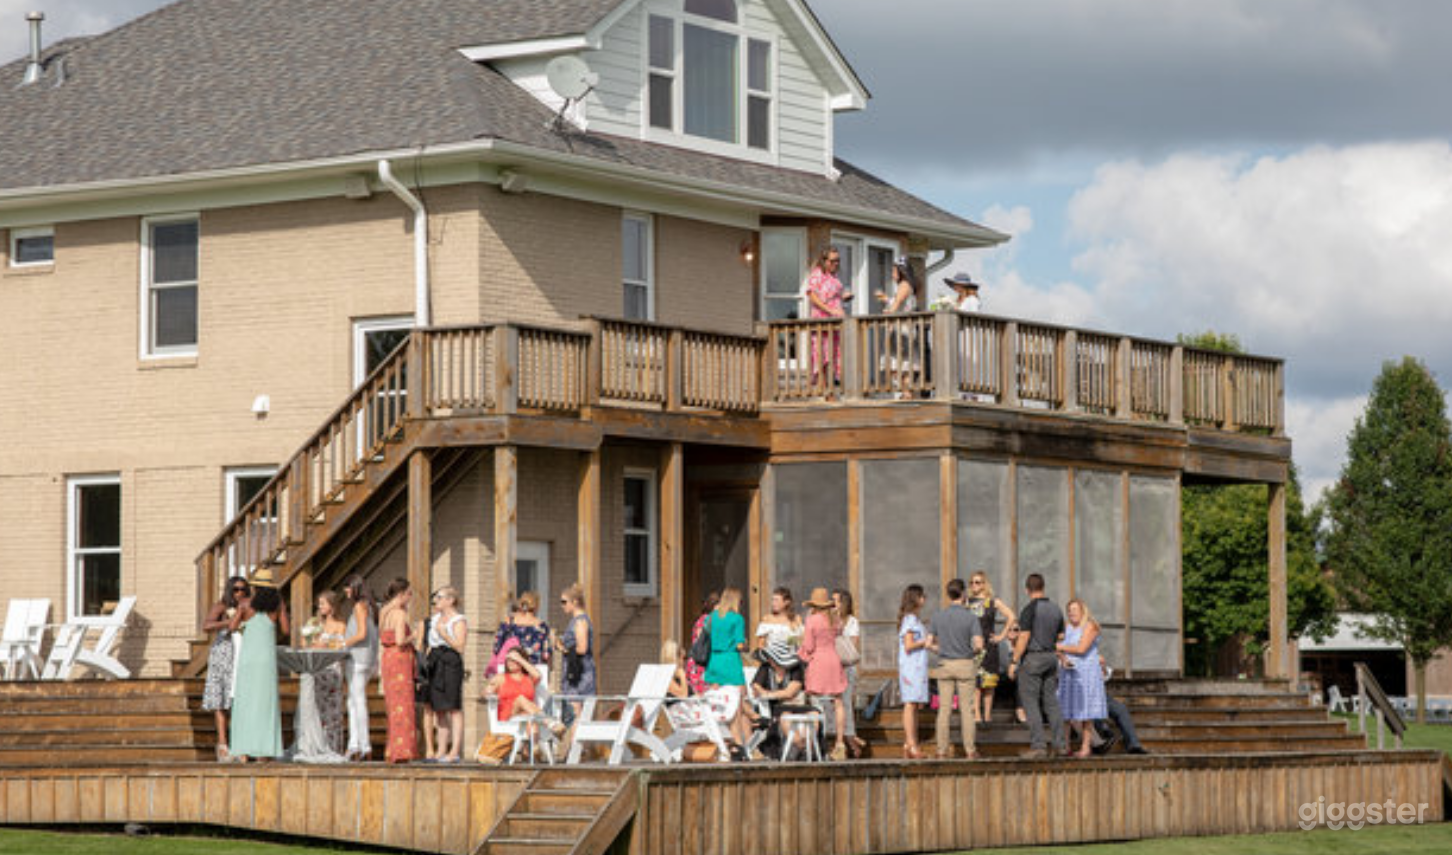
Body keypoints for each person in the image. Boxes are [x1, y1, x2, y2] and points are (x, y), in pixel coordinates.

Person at [229, 572, 289, 763]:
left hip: (248, 660)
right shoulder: (277, 604)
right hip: (266, 660)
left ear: (254, 587)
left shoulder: (245, 605)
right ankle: (264, 752)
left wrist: (243, 626)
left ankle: (244, 751)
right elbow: (286, 630)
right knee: (265, 704)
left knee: (246, 703)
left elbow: (231, 627)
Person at [1008, 573, 1066, 758]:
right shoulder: (1056, 609)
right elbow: (1061, 636)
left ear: (1027, 589)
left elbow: (1024, 637)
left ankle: (1038, 746)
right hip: (1051, 657)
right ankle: (1060, 745)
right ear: (1043, 587)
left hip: (1033, 658)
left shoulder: (1030, 609)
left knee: (1030, 702)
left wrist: (1014, 661)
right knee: (1051, 702)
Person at [927, 578, 984, 759]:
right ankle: (970, 750)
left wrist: (941, 649)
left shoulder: (938, 616)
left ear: (948, 595)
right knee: (967, 709)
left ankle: (941, 751)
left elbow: (928, 643)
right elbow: (979, 645)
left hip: (945, 664)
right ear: (964, 594)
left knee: (944, 709)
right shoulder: (971, 617)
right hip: (965, 664)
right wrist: (971, 650)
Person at [201, 576, 249, 762]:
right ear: (230, 590)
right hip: (223, 654)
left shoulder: (247, 606)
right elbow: (206, 625)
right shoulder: (221, 606)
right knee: (220, 698)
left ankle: (240, 743)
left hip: (241, 653)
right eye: (236, 589)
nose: (240, 593)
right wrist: (228, 623)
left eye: (244, 589)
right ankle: (222, 743)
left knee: (238, 698)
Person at [799, 587, 848, 761]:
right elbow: (840, 634)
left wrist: (802, 653)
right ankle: (840, 743)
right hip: (834, 660)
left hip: (818, 661)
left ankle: (813, 743)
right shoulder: (835, 619)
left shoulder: (812, 620)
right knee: (838, 702)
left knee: (814, 701)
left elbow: (809, 646)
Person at [478, 647, 550, 765]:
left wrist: (520, 660)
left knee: (529, 716)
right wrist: (486, 693)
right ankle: (549, 722)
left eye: (514, 659)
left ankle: (534, 748)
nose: (510, 662)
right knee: (521, 700)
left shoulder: (529, 679)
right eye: (508, 659)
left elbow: (538, 674)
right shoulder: (501, 678)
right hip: (508, 715)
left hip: (527, 716)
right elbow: (483, 694)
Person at [1056, 599, 1107, 758]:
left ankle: (1086, 747)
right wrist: (1062, 657)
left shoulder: (1090, 625)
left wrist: (1060, 647)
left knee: (1086, 712)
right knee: (1065, 710)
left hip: (1086, 673)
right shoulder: (1065, 626)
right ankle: (1065, 746)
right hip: (1068, 671)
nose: (1071, 613)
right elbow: (1054, 646)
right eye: (1069, 610)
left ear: (1083, 611)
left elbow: (1082, 648)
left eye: (1074, 609)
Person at [745, 639, 812, 760]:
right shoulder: (766, 667)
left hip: (796, 706)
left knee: (814, 715)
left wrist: (768, 694)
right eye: (769, 657)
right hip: (773, 709)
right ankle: (803, 747)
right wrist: (769, 694)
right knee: (783, 716)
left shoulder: (795, 669)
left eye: (773, 658)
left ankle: (805, 747)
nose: (770, 661)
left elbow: (790, 692)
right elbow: (756, 686)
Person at [966, 571, 1018, 727]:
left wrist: (1002, 636)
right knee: (975, 683)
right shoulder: (966, 602)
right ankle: (977, 714)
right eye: (972, 582)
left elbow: (1011, 616)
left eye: (978, 582)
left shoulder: (993, 601)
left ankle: (987, 716)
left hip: (989, 645)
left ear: (984, 584)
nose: (975, 585)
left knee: (989, 683)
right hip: (972, 645)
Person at [426, 586, 468, 763]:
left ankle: (454, 750)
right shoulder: (435, 619)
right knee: (439, 709)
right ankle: (441, 749)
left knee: (453, 707)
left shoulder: (458, 620)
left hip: (450, 660)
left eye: (440, 597)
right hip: (435, 660)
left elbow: (460, 646)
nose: (436, 600)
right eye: (435, 597)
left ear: (450, 600)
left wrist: (445, 634)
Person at [377, 578, 417, 764]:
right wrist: (415, 635)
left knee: (392, 705)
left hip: (388, 658)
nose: (410, 598)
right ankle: (402, 751)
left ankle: (390, 749)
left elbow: (383, 636)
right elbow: (400, 640)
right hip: (399, 659)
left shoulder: (384, 611)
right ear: (400, 594)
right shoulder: (399, 614)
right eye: (408, 594)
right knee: (403, 705)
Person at [703, 587, 748, 746]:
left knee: (717, 704)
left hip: (715, 661)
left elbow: (707, 633)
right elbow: (740, 644)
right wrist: (747, 647)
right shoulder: (737, 619)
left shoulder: (711, 617)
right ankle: (742, 745)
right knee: (738, 706)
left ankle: (722, 744)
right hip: (731, 662)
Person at [340, 574, 378, 762]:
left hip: (359, 658)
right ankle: (354, 744)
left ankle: (364, 745)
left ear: (355, 587)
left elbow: (361, 634)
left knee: (358, 700)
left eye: (347, 587)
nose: (345, 591)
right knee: (353, 701)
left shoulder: (359, 606)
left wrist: (342, 643)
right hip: (364, 658)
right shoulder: (368, 606)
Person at [307, 590, 348, 757]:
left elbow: (341, 647)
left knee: (333, 709)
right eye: (319, 603)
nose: (320, 606)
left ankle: (333, 746)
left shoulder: (341, 625)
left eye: (323, 603)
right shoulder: (316, 624)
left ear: (332, 606)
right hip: (318, 669)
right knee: (317, 707)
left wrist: (326, 645)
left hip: (333, 669)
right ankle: (317, 745)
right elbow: (309, 643)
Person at [805, 247, 847, 393]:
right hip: (822, 323)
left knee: (833, 356)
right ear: (824, 261)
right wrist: (830, 310)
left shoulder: (833, 276)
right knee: (821, 356)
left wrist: (843, 298)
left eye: (838, 260)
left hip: (834, 325)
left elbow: (832, 295)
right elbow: (812, 295)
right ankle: (824, 391)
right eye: (832, 261)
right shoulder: (817, 274)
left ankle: (830, 391)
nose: (836, 263)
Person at [897, 584, 930, 759]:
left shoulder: (914, 619)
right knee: (910, 704)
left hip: (917, 667)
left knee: (914, 705)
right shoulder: (910, 619)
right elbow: (909, 645)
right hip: (911, 668)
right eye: (922, 596)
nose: (924, 599)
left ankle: (909, 743)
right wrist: (925, 641)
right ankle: (912, 744)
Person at [832, 588, 866, 757]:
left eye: (836, 600)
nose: (833, 604)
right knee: (834, 704)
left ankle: (850, 740)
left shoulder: (852, 622)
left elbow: (852, 645)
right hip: (831, 667)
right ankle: (847, 739)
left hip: (846, 667)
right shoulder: (828, 619)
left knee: (845, 703)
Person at [1091, 658, 1149, 755]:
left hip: (1101, 696)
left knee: (1121, 709)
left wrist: (1103, 667)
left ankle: (1133, 744)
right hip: (1085, 698)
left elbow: (1106, 676)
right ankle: (1105, 734)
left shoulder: (1094, 656)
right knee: (1092, 711)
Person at [556, 584, 596, 724]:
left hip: (579, 673)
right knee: (576, 715)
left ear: (575, 602)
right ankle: (578, 745)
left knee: (576, 715)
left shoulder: (580, 621)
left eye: (564, 602)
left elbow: (582, 648)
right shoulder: (577, 621)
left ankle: (576, 745)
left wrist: (562, 648)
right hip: (576, 671)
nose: (562, 606)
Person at [491, 591, 550, 670]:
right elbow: (546, 655)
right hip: (532, 670)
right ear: (536, 607)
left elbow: (496, 647)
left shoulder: (509, 623)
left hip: (511, 669)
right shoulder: (542, 627)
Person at [685, 592, 719, 695]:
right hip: (700, 663)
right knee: (702, 696)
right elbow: (701, 642)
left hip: (700, 662)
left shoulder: (705, 620)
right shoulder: (706, 620)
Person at [753, 587, 803, 652]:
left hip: (793, 658)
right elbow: (760, 644)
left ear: (786, 602)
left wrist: (789, 640)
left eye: (776, 600)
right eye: (772, 600)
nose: (773, 603)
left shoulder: (796, 619)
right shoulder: (767, 619)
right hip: (772, 658)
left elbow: (802, 640)